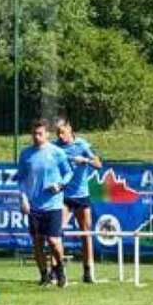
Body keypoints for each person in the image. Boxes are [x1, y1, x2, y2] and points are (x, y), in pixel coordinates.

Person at [18, 119, 73, 287]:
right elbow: (20, 178)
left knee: (54, 242)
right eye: (34, 133)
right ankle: (44, 276)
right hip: (34, 205)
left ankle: (60, 271)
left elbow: (69, 173)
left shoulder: (57, 153)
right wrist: (24, 198)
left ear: (47, 134)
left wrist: (59, 185)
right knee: (37, 242)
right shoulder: (25, 154)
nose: (36, 136)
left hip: (54, 204)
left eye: (40, 133)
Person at [55, 118, 103, 283]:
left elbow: (98, 164)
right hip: (64, 197)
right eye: (58, 133)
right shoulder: (55, 148)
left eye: (63, 132)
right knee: (56, 232)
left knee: (86, 233)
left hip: (82, 195)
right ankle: (57, 270)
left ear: (70, 129)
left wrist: (86, 161)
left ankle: (88, 271)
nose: (60, 136)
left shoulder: (82, 145)